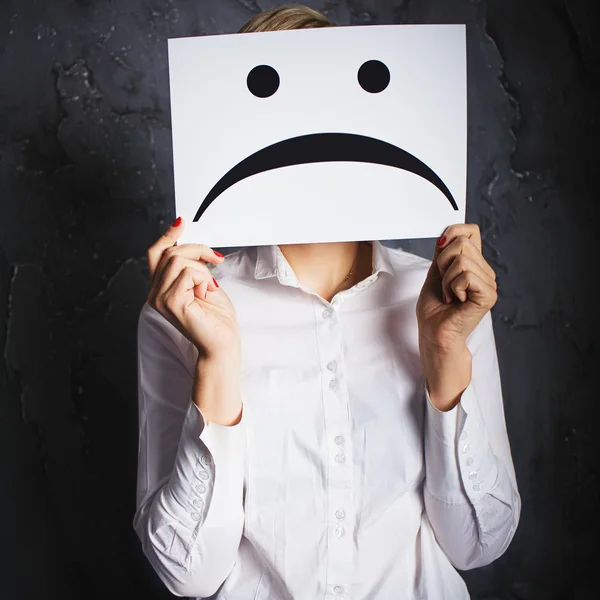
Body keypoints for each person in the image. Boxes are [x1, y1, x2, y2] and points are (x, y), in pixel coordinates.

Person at [133, 5, 521, 600]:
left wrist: (446, 359)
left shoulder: (445, 301)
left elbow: (478, 545)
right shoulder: (186, 311)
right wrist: (217, 362)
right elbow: (188, 574)